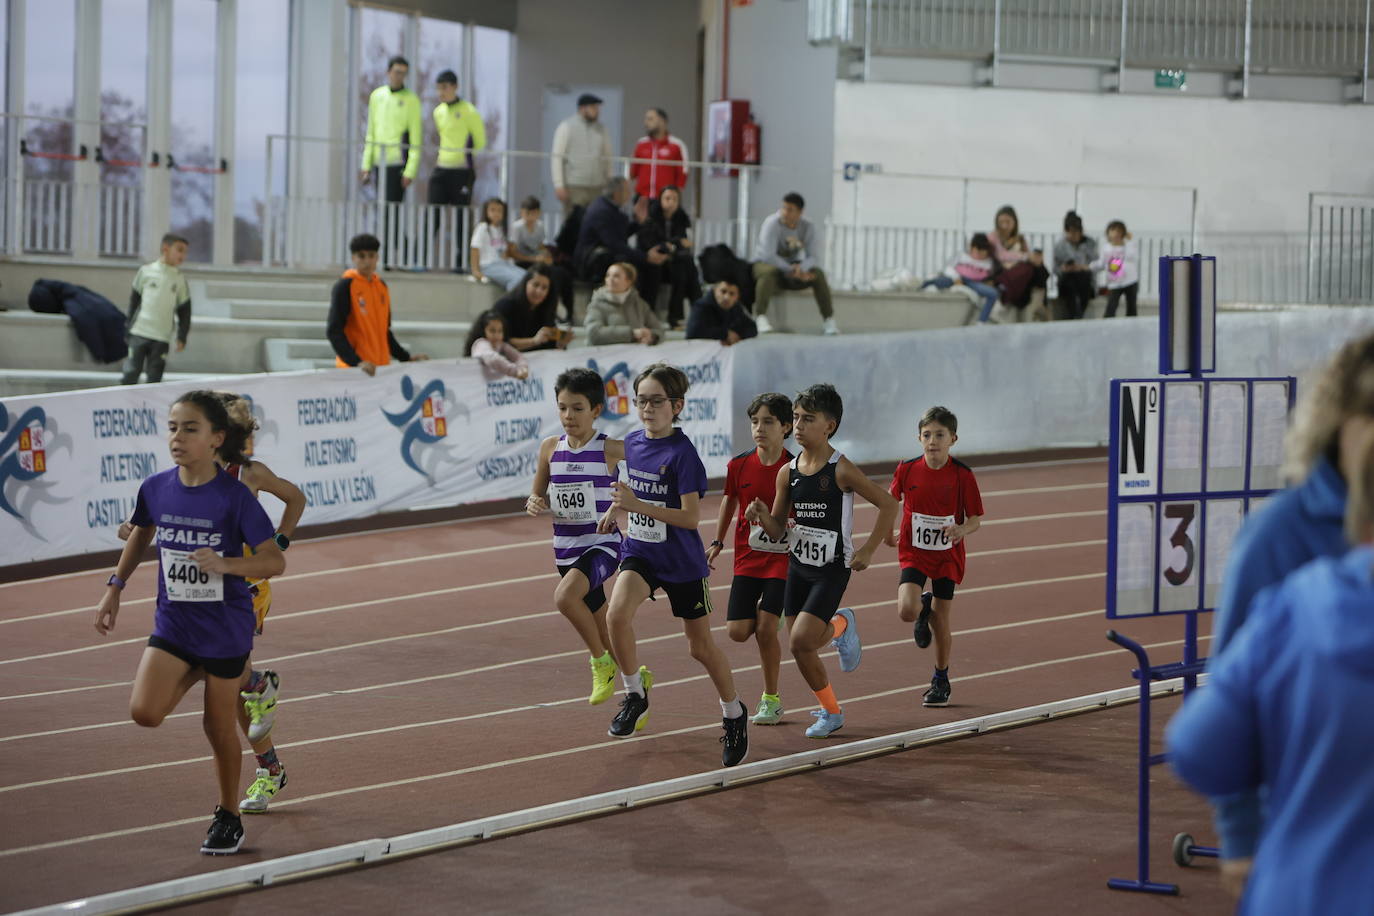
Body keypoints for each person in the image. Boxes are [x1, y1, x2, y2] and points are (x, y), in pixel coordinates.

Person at [1166, 437, 1374, 916]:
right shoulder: (1280, 536)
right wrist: (1241, 834)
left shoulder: (1293, 608)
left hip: (1309, 887)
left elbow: (1198, 750)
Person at [1200, 331, 1374, 896]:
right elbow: (1225, 704)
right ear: (1336, 418)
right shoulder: (1277, 536)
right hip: (1311, 833)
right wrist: (1241, 836)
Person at [95, 390, 286, 854]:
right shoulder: (156, 487)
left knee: (216, 726)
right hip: (175, 623)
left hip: (224, 626)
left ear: (217, 439)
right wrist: (114, 588)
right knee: (144, 712)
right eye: (173, 427)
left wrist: (227, 565)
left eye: (190, 428)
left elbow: (273, 562)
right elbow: (142, 531)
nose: (177, 437)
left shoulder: (235, 498)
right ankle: (228, 675)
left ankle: (228, 814)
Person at [595, 364, 750, 767]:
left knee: (700, 648)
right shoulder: (632, 442)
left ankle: (734, 713)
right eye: (641, 400)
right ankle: (635, 694)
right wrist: (616, 508)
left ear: (676, 405)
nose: (647, 408)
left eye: (656, 401)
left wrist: (634, 505)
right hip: (641, 552)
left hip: (682, 562)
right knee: (615, 615)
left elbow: (690, 518)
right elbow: (634, 491)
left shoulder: (683, 455)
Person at [745, 384, 899, 738]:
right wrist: (762, 515)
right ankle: (841, 627)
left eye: (807, 419)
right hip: (798, 566)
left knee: (799, 641)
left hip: (831, 570)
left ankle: (832, 713)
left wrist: (869, 549)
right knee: (806, 644)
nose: (797, 425)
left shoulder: (840, 469)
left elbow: (889, 504)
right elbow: (778, 530)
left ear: (829, 426)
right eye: (796, 418)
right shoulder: (789, 471)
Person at [527, 367, 625, 705]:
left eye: (577, 408)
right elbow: (538, 490)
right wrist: (535, 500)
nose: (568, 416)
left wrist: (620, 504)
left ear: (596, 410)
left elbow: (647, 472)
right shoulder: (550, 448)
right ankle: (635, 682)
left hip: (602, 545)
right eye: (563, 407)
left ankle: (600, 663)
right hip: (565, 550)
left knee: (565, 599)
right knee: (601, 626)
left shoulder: (610, 449)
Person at [884, 406, 985, 707]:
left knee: (942, 622)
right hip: (915, 551)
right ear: (919, 438)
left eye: (939, 435)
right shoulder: (907, 469)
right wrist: (888, 532)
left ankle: (941, 679)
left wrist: (961, 530)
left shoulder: (962, 476)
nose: (933, 440)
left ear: (952, 438)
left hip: (946, 555)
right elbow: (891, 500)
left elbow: (976, 519)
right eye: (927, 435)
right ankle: (921, 609)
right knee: (906, 610)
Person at [708, 392, 794, 725]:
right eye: (755, 421)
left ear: (785, 426)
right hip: (748, 557)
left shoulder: (795, 468)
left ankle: (771, 699)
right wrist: (717, 540)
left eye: (768, 422)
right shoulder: (739, 465)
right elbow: (728, 501)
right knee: (737, 631)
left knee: (766, 629)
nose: (759, 428)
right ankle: (777, 614)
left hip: (783, 559)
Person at [327, 234, 429, 376]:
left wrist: (406, 358)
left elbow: (385, 332)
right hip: (355, 371)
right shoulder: (345, 286)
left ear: (377, 257)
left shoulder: (381, 286)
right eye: (361, 256)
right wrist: (356, 362)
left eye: (371, 255)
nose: (367, 261)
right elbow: (334, 331)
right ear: (353, 258)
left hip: (379, 369)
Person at [360, 56, 422, 262]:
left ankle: (398, 254)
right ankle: (397, 254)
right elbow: (371, 132)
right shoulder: (377, 96)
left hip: (398, 163)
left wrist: (410, 169)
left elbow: (415, 138)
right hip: (380, 162)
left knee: (392, 211)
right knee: (384, 211)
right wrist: (366, 164)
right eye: (396, 71)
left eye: (403, 73)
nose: (399, 76)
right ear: (388, 72)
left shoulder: (411, 100)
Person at [752, 193, 838, 336]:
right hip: (765, 264)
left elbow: (814, 256)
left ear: (800, 212)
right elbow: (769, 255)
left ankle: (828, 319)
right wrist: (790, 269)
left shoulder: (808, 226)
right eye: (783, 208)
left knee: (818, 274)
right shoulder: (772, 223)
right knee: (769, 273)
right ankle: (760, 316)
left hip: (792, 267)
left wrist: (802, 269)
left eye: (790, 209)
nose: (785, 212)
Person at [574, 176, 667, 303]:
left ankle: (644, 311)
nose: (630, 194)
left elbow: (619, 235)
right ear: (617, 193)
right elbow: (614, 244)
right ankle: (637, 310)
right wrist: (646, 257)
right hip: (593, 261)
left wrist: (638, 222)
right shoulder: (601, 210)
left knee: (651, 266)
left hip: (606, 253)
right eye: (628, 191)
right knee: (639, 264)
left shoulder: (610, 207)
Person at [121, 232, 191, 385]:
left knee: (154, 377)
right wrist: (128, 327)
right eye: (179, 250)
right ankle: (126, 406)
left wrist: (182, 336)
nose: (183, 255)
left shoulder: (179, 279)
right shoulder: (145, 271)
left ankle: (149, 408)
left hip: (161, 337)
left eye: (185, 252)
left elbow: (185, 311)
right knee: (131, 373)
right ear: (165, 248)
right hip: (140, 332)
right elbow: (134, 302)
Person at [636, 185, 701, 327]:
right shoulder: (652, 216)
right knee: (660, 268)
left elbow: (686, 244)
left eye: (674, 199)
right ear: (660, 199)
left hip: (673, 261)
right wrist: (673, 244)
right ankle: (694, 310)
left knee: (685, 267)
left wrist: (671, 246)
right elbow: (650, 243)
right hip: (652, 260)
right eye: (667, 198)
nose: (671, 202)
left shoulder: (681, 218)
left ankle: (680, 316)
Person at [508, 196, 574, 319]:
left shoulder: (540, 226)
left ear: (538, 213)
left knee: (563, 274)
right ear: (522, 212)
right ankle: (554, 307)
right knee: (550, 276)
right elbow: (512, 252)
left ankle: (567, 313)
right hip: (523, 261)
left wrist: (546, 254)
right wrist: (534, 259)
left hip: (537, 259)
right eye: (527, 213)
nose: (530, 217)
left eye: (533, 213)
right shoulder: (517, 227)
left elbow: (540, 246)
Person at [429, 69, 485, 212]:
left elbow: (480, 141)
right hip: (442, 166)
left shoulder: (469, 111)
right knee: (432, 212)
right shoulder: (438, 112)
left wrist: (466, 157)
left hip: (462, 169)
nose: (441, 92)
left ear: (455, 87)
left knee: (461, 215)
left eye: (445, 87)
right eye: (438, 88)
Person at [918, 232, 1001, 325]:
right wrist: (956, 277)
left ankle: (981, 321)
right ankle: (923, 286)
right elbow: (948, 268)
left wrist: (988, 282)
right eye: (976, 251)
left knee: (992, 293)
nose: (978, 255)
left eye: (982, 253)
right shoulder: (962, 255)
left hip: (974, 283)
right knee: (940, 281)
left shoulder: (989, 262)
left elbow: (991, 277)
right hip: (957, 278)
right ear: (971, 247)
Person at [551, 93, 613, 216]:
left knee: (595, 223)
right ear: (582, 108)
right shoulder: (566, 126)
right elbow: (557, 157)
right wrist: (559, 184)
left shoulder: (602, 129)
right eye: (594, 108)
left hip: (597, 186)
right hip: (574, 185)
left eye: (597, 108)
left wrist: (609, 180)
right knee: (573, 223)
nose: (597, 111)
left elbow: (607, 156)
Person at [989, 205, 1050, 322]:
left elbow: (1026, 255)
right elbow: (1001, 255)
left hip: (1019, 274)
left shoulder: (1020, 239)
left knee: (1038, 268)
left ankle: (1040, 303)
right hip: (1002, 271)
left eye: (1008, 222)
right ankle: (1040, 304)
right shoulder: (993, 237)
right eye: (1002, 222)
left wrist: (1033, 258)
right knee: (1028, 269)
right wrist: (1025, 256)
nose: (1005, 225)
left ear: (1014, 222)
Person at [494, 264, 571, 353]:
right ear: (525, 283)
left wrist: (560, 343)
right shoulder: (506, 306)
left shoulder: (547, 308)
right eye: (535, 285)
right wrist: (533, 341)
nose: (539, 291)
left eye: (544, 288)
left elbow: (549, 347)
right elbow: (499, 342)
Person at [584, 262, 664, 347]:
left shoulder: (639, 304)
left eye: (616, 276)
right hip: (603, 356)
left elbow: (659, 330)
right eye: (608, 275)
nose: (610, 279)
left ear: (629, 281)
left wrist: (651, 336)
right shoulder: (597, 304)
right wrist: (632, 334)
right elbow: (594, 334)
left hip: (633, 356)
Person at [630, 108, 689, 201]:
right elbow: (633, 172)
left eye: (650, 119)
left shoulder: (676, 145)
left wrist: (675, 195)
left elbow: (683, 172)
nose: (646, 123)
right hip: (642, 198)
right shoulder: (641, 144)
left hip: (665, 200)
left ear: (662, 121)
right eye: (646, 119)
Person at [469, 198, 524, 290]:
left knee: (527, 276)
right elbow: (475, 249)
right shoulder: (482, 227)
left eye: (499, 211)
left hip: (503, 264)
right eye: (492, 210)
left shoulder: (502, 230)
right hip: (488, 265)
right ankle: (512, 301)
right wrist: (475, 271)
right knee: (517, 279)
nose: (496, 213)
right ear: (486, 211)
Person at [1052, 210, 1098, 320]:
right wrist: (1064, 269)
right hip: (1067, 284)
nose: (1074, 235)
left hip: (1086, 284)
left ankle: (1077, 314)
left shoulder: (1090, 244)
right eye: (1071, 232)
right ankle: (1076, 314)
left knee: (1082, 277)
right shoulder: (1060, 246)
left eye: (1077, 231)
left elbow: (1097, 264)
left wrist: (1082, 267)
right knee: (1070, 280)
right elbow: (1055, 269)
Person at [1090, 220, 1140, 318]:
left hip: (1130, 281)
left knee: (1132, 307)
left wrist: (1129, 241)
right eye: (1113, 230)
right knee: (1111, 306)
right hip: (1114, 282)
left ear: (1123, 233)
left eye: (1119, 231)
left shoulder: (1128, 246)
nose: (1116, 234)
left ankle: (1132, 327)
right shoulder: (1106, 248)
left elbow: (1133, 256)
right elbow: (1102, 263)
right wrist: (1090, 266)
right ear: (1108, 233)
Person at [686, 279, 756, 345]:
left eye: (732, 294)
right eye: (723, 291)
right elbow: (693, 332)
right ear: (715, 291)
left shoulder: (736, 308)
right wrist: (725, 334)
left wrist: (737, 335)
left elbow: (752, 328)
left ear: (737, 297)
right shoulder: (702, 306)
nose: (726, 297)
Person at [464, 309, 529, 379]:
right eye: (492, 331)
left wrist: (522, 368)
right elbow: (493, 359)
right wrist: (515, 371)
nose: (496, 335)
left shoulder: (501, 345)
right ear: (483, 331)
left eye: (500, 331)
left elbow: (518, 357)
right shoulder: (481, 344)